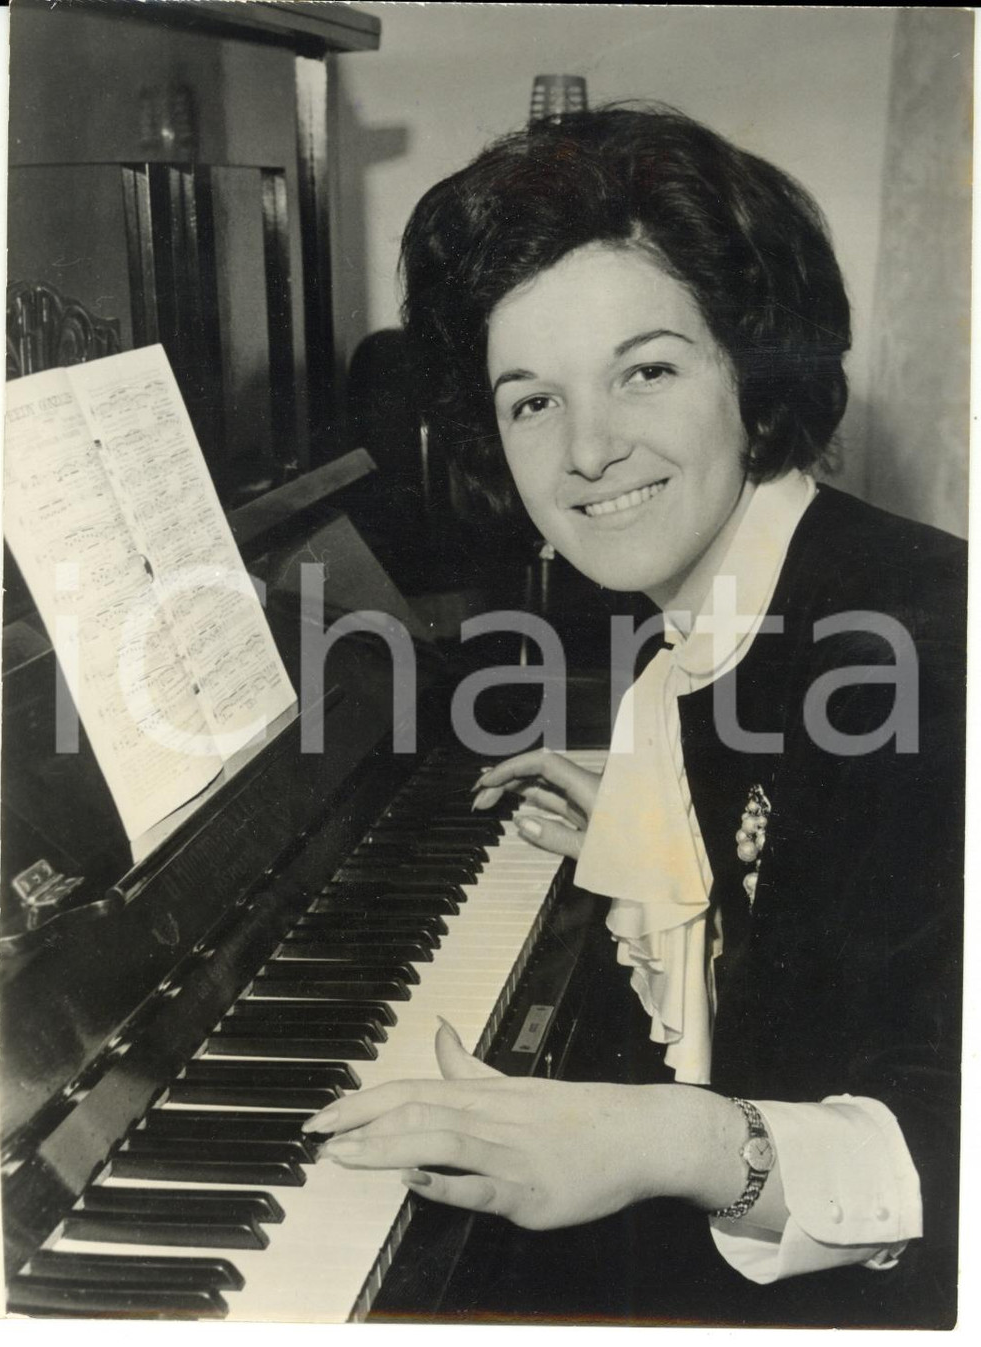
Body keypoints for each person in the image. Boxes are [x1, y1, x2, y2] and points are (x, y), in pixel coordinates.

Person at [303, 106, 965, 1328]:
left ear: (753, 376)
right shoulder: (750, 606)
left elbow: (947, 1160)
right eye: (532, 401)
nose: (590, 450)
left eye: (645, 370)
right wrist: (658, 827)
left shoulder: (926, 656)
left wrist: (651, 1140)